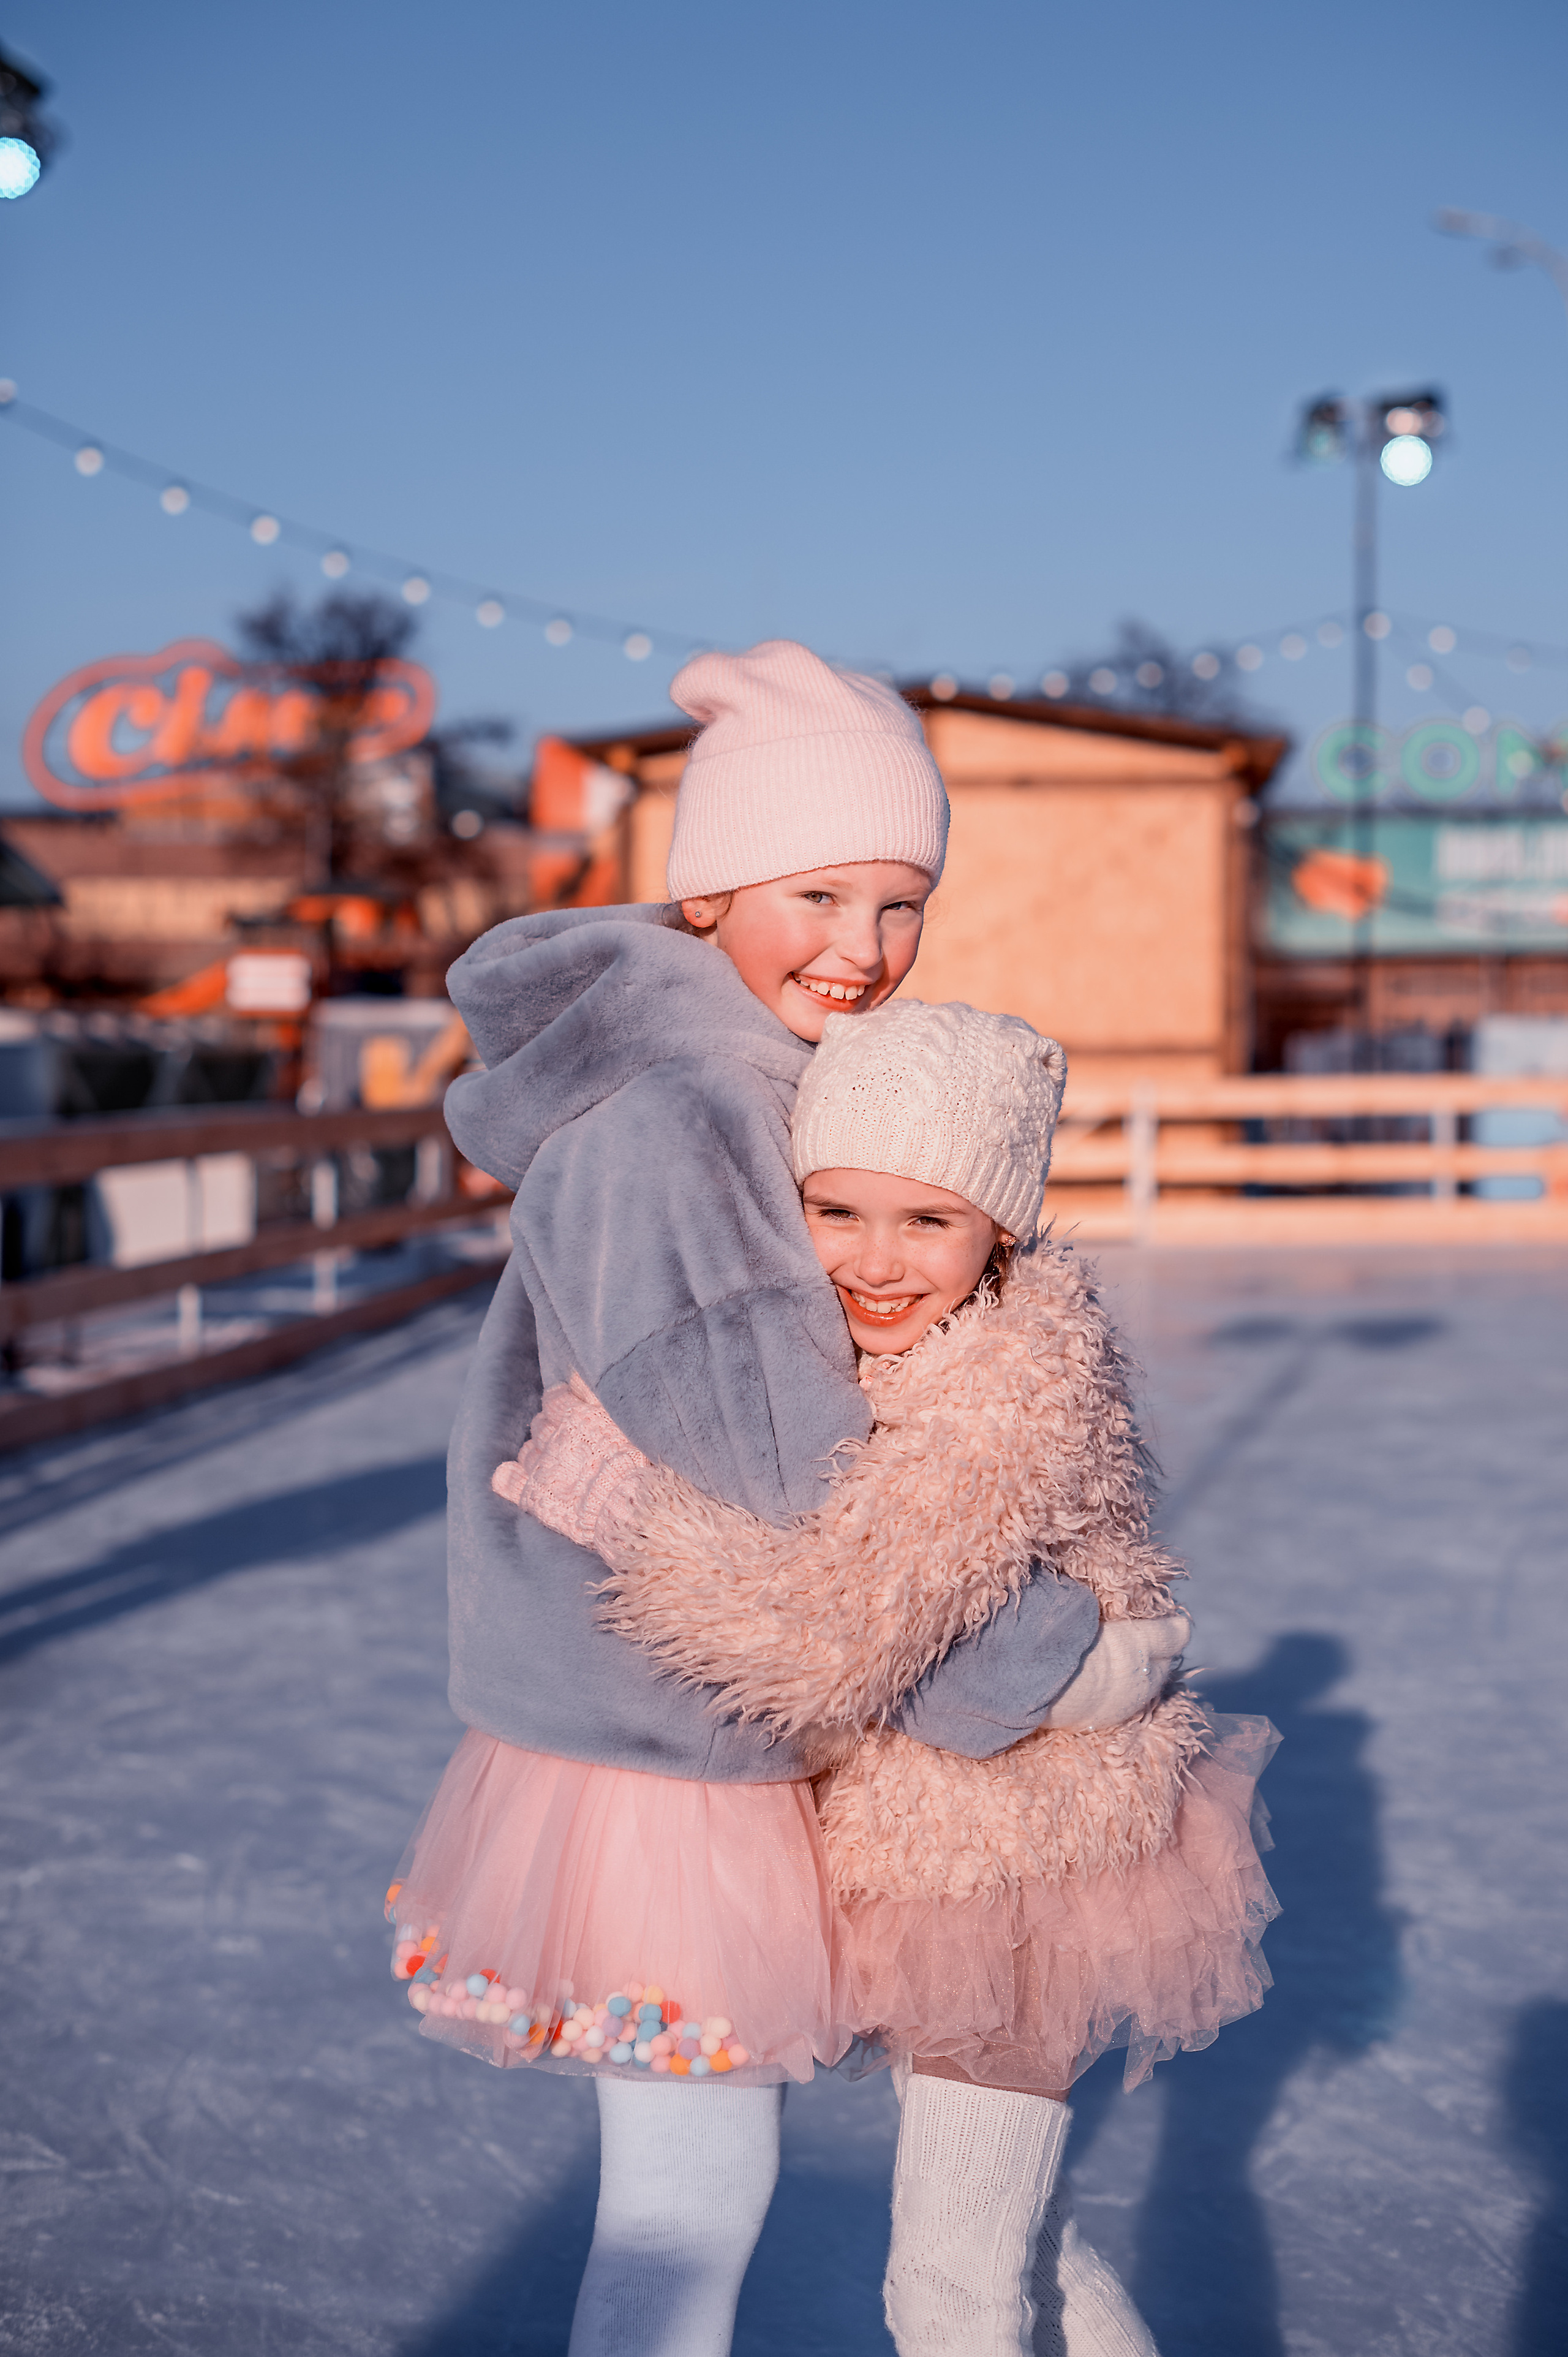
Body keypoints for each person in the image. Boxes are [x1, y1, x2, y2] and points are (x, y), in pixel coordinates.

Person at [388, 643, 1144, 2357]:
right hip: (663, 1749)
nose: (862, 952)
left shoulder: (741, 1084)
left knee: (778, 2196)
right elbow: (792, 1472)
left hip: (718, 1725)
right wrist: (1038, 1664)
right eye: (818, 893)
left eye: (901, 905)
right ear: (711, 888)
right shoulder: (678, 1114)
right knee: (686, 2209)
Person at [506, 997, 1278, 2357]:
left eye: (928, 1220)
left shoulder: (1003, 1385)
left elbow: (824, 1632)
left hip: (1017, 1878)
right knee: (1026, 2248)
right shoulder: (856, 1353)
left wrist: (630, 1505)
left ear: (1000, 1229)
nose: (875, 1259)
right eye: (837, 1211)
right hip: (927, 1856)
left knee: (949, 2290)